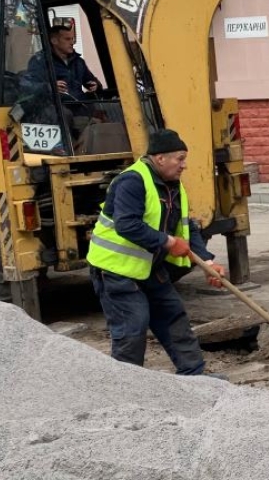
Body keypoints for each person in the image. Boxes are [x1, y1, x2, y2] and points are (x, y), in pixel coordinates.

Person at [86, 128, 228, 377]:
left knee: (174, 317)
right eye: (180, 159)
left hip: (149, 267)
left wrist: (207, 261)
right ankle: (127, 386)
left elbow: (186, 227)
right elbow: (127, 224)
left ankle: (195, 375)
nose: (184, 165)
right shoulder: (132, 181)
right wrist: (168, 242)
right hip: (115, 270)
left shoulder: (172, 186)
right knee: (133, 325)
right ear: (160, 158)